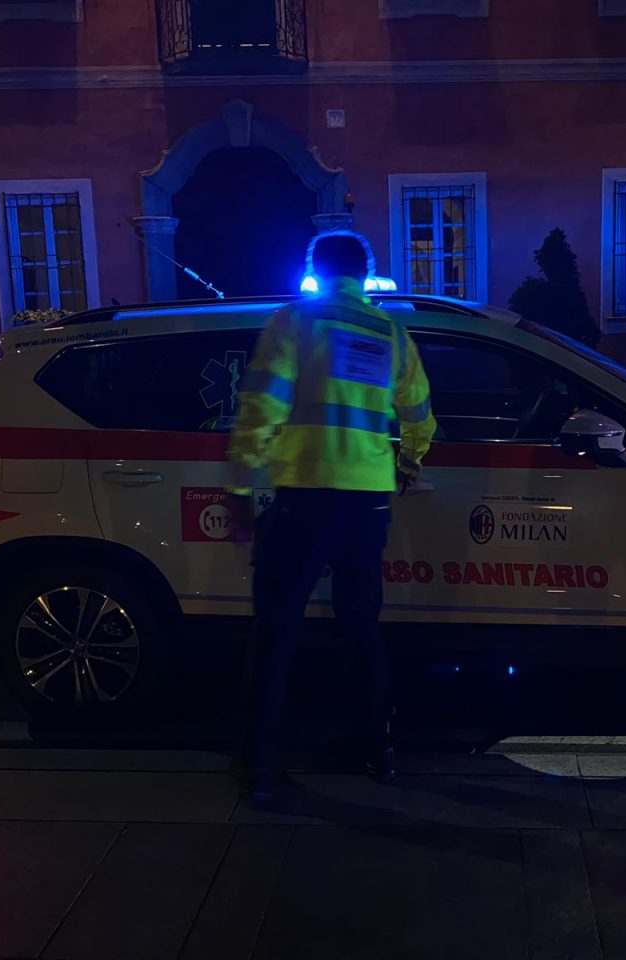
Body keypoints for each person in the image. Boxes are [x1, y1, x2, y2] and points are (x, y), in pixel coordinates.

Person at [227, 231, 435, 798]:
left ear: (314, 270)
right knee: (361, 625)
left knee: (277, 627)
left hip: (306, 494)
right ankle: (375, 749)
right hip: (368, 501)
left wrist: (242, 478)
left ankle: (259, 764)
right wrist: (409, 461)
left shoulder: (296, 322)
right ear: (365, 274)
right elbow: (419, 412)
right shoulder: (390, 331)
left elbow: (262, 403)